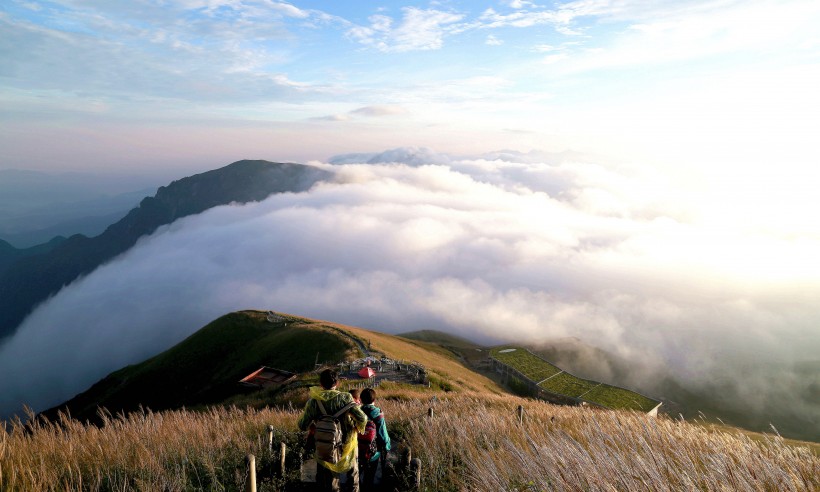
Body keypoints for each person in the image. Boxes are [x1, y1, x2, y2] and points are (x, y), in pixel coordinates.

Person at [298, 369, 367, 492]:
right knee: (352, 474)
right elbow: (362, 418)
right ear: (337, 383)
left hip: (325, 443)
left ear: (321, 384)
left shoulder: (314, 402)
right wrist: (357, 428)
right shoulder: (345, 398)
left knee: (329, 480)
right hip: (347, 444)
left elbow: (302, 425)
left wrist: (314, 426)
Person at [358, 388, 391, 491]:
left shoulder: (356, 412)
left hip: (357, 450)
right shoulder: (378, 413)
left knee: (356, 475)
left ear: (361, 399)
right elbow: (383, 434)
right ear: (374, 400)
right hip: (373, 452)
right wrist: (386, 446)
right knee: (370, 476)